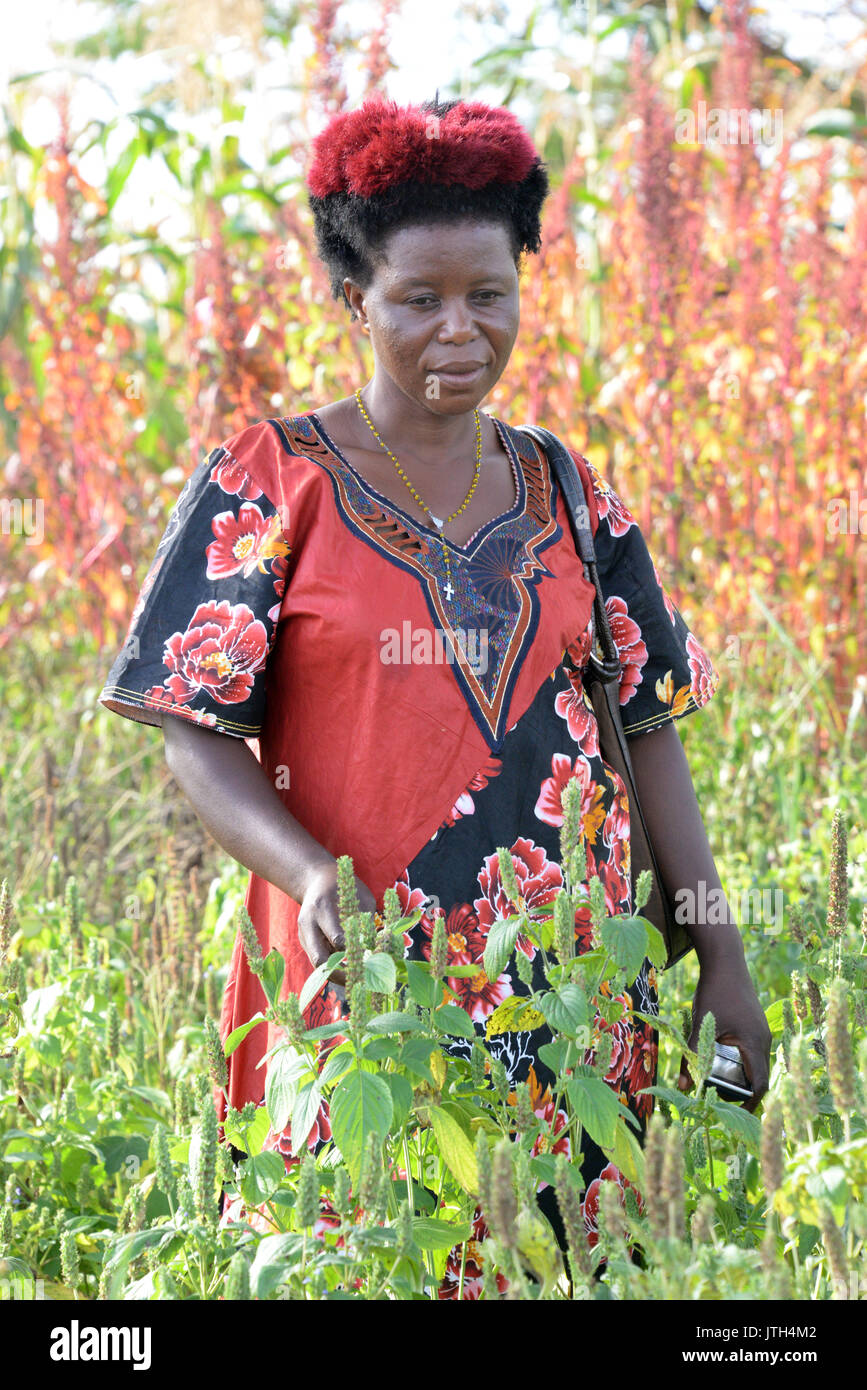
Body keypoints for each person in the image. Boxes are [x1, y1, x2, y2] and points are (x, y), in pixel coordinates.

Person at [99, 93, 771, 1297]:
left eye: (488, 295)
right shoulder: (275, 480)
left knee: (571, 1261)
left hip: (572, 996)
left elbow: (650, 725)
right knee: (367, 1250)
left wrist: (720, 950)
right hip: (367, 995)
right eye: (419, 299)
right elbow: (192, 730)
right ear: (354, 300)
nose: (458, 330)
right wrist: (309, 874)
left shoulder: (568, 490)